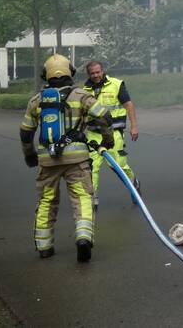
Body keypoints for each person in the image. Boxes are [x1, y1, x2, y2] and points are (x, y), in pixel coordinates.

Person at [19, 54, 112, 262]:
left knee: (46, 201)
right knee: (82, 198)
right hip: (77, 160)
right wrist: (107, 141)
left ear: (46, 75)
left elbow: (25, 133)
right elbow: (104, 116)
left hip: (47, 161)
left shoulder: (36, 101)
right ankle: (83, 238)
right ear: (70, 72)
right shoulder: (81, 95)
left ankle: (44, 247)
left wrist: (30, 157)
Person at [82, 60, 139, 206]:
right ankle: (92, 198)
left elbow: (128, 105)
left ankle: (133, 184)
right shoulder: (83, 90)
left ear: (103, 70)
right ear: (88, 74)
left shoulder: (116, 84)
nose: (95, 75)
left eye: (98, 72)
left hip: (114, 132)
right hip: (94, 134)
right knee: (91, 166)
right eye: (92, 73)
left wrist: (134, 126)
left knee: (118, 165)